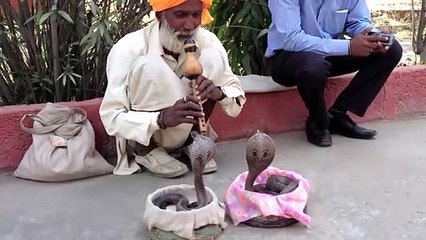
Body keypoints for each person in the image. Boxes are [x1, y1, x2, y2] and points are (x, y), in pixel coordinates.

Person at [99, 0, 246, 178]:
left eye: (195, 15)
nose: (190, 25)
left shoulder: (207, 41)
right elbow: (111, 117)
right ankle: (147, 151)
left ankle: (195, 141)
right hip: (150, 133)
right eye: (181, 15)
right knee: (149, 65)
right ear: (160, 15)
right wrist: (161, 118)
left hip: (189, 127)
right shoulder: (128, 48)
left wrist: (219, 93)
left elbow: (235, 93)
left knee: (212, 58)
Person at [265, 0, 403, 147]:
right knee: (312, 65)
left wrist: (374, 37)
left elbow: (358, 22)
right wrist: (349, 47)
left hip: (329, 52)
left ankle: (338, 114)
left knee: (392, 50)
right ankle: (318, 121)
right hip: (287, 58)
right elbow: (292, 40)